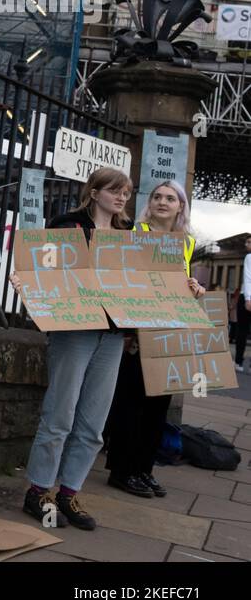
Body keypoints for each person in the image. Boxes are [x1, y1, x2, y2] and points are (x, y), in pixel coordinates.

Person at [13, 167, 134, 531]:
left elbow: (143, 282)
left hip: (112, 336)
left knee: (93, 423)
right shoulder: (66, 225)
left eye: (126, 192)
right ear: (94, 192)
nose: (122, 197)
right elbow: (45, 269)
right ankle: (38, 491)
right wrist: (28, 281)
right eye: (115, 190)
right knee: (60, 416)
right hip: (75, 331)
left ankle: (69, 492)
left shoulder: (129, 237)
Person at [104, 181, 203, 498]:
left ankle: (143, 470)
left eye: (170, 198)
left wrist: (194, 288)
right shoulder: (135, 231)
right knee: (131, 403)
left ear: (180, 206)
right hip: (138, 330)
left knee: (158, 406)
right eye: (157, 197)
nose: (162, 202)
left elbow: (182, 283)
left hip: (170, 330)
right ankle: (121, 471)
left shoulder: (186, 242)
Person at [238, 236, 251, 373]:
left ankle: (239, 362)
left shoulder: (249, 257)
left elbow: (248, 278)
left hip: (247, 296)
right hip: (247, 296)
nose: (246, 244)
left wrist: (248, 298)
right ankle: (240, 362)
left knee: (242, 331)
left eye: (249, 242)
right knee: (242, 331)